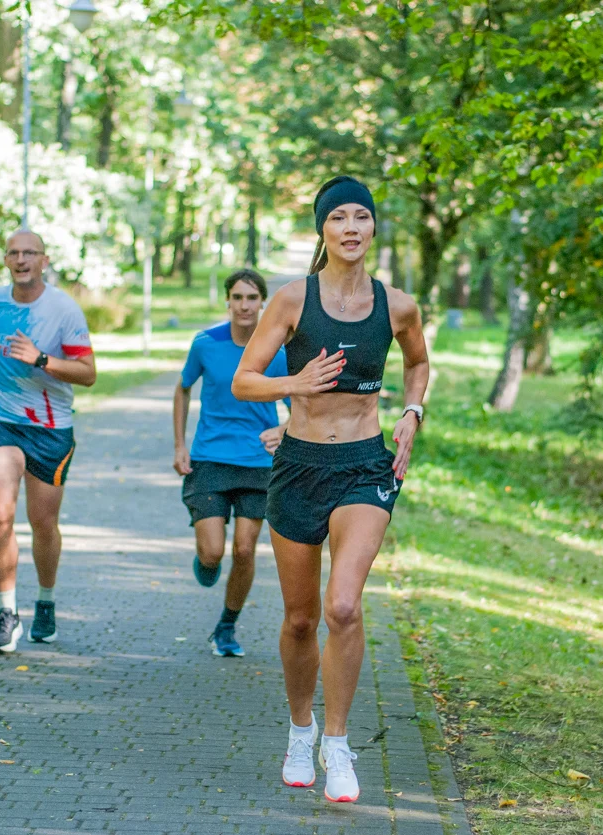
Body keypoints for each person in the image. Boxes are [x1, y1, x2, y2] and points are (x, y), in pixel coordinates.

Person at [232, 176, 430, 803]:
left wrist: (412, 411)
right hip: (298, 468)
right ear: (323, 230)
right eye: (338, 217)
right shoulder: (293, 300)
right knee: (300, 618)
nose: (351, 227)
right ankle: (300, 729)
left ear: (373, 229)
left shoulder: (397, 305)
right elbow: (244, 381)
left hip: (364, 468)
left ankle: (338, 745)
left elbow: (418, 362)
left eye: (361, 217)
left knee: (343, 606)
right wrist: (299, 384)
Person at [0, 229, 95, 653]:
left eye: (29, 253)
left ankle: (46, 599)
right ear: (5, 260)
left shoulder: (63, 309)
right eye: (14, 253)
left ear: (44, 260)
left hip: (50, 425)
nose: (21, 260)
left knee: (43, 522)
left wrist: (40, 358)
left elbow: (88, 373)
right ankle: (7, 611)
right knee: (0, 514)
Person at [173, 269, 289, 658]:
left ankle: (226, 626)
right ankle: (205, 561)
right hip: (209, 458)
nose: (244, 305)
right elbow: (183, 387)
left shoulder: (277, 351)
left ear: (262, 303)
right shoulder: (206, 343)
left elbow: (300, 404)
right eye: (237, 297)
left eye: (252, 298)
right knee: (211, 553)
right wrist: (179, 445)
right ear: (228, 301)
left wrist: (285, 431)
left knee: (244, 549)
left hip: (258, 462)